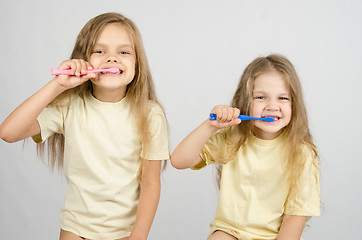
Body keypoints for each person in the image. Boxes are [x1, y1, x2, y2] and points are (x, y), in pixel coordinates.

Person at [0, 12, 169, 240]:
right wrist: (58, 85)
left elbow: (151, 183)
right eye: (99, 51)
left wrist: (137, 237)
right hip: (75, 228)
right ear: (84, 60)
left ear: (137, 64)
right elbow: (8, 132)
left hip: (125, 232)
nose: (112, 59)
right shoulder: (70, 106)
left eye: (124, 52)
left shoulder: (150, 114)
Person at [171, 54, 320, 240]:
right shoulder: (232, 138)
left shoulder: (302, 154)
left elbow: (295, 217)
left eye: (283, 98)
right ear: (245, 102)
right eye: (260, 97)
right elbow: (178, 160)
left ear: (295, 105)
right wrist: (210, 126)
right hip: (228, 231)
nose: (272, 106)